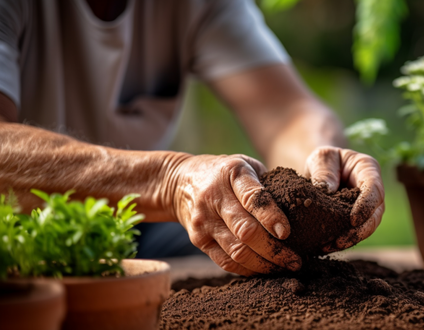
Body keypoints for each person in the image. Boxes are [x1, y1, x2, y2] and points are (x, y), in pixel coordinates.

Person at [0, 0, 385, 276]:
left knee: (255, 250)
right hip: (25, 230)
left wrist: (322, 174)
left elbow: (287, 114)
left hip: (140, 222)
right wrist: (169, 179)